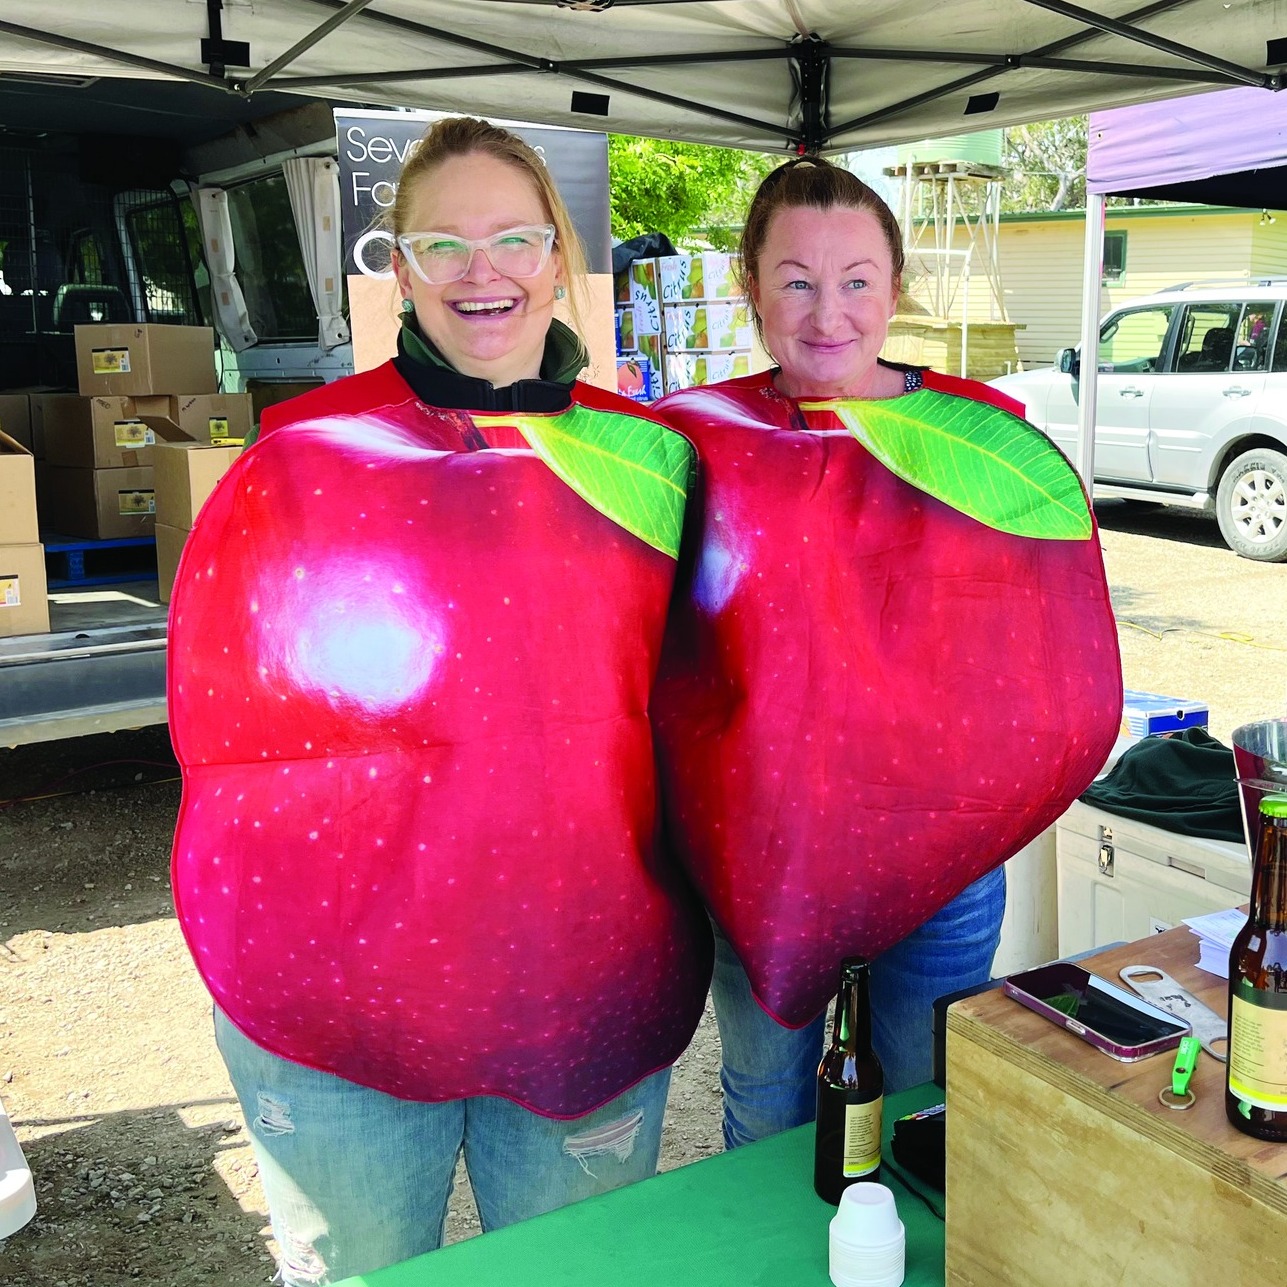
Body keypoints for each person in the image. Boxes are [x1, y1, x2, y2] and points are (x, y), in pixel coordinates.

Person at [167, 116, 712, 1283]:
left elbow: (716, 710)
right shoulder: (309, 449)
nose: (484, 273)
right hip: (347, 985)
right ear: (398, 267)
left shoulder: (647, 464)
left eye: (515, 239)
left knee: (579, 1273)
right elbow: (234, 730)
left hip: (585, 971)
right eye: (444, 245)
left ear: (559, 258)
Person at [652, 156, 1122, 1146]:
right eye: (796, 280)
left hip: (938, 854)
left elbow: (1040, 641)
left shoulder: (979, 441)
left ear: (896, 289)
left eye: (857, 280)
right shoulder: (699, 439)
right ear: (750, 287)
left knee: (923, 1108)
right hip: (761, 855)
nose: (829, 313)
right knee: (766, 1101)